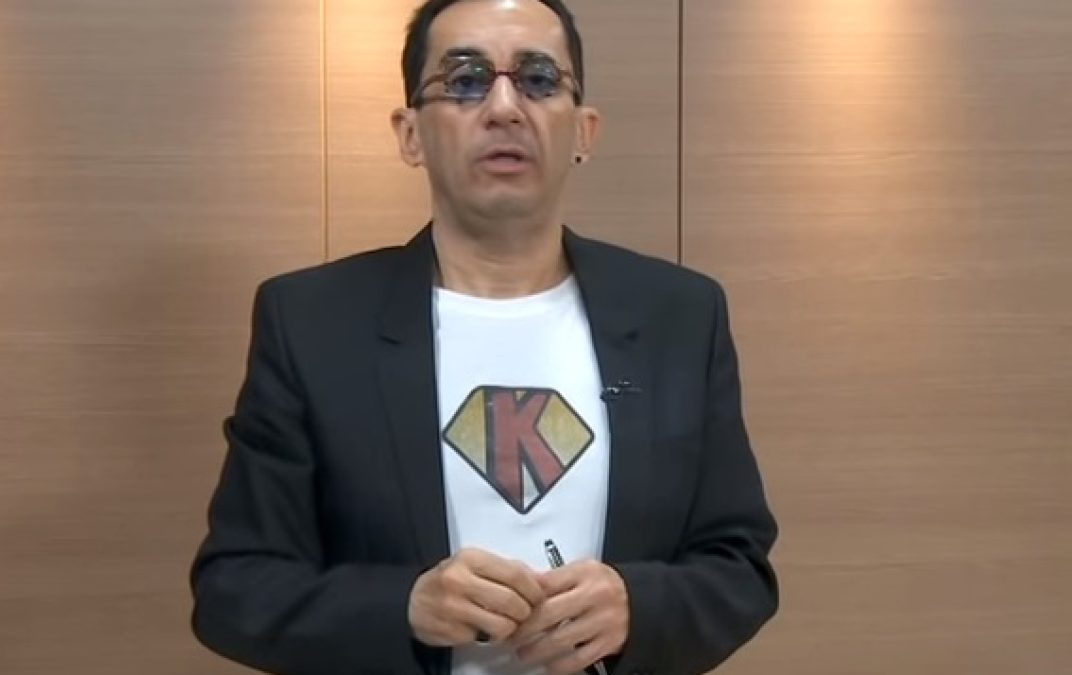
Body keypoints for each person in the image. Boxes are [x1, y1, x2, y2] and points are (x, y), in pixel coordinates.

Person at [189, 1, 778, 674]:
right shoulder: (313, 323)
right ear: (410, 133)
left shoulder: (679, 315)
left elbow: (739, 566)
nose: (504, 107)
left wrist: (638, 606)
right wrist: (404, 608)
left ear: (584, 130)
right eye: (465, 80)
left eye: (538, 79)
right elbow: (235, 589)